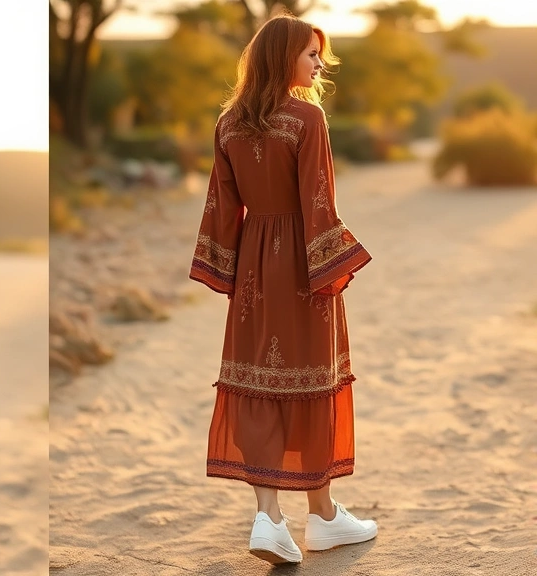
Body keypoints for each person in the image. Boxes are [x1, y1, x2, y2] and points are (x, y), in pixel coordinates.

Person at [188, 13, 377, 565]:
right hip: (301, 263)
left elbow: (223, 208)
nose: (319, 64)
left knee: (258, 380)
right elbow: (318, 201)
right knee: (314, 380)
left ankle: (273, 518)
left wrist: (225, 268)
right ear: (283, 57)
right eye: (310, 54)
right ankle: (321, 517)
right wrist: (332, 264)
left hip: (253, 266)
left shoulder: (228, 123)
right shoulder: (307, 118)